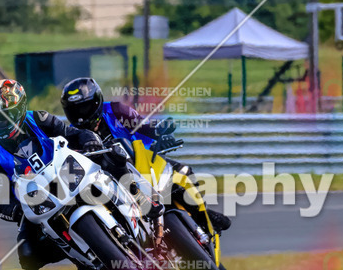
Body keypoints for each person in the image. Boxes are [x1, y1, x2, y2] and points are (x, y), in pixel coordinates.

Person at [0, 78, 157, 270]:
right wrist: (17, 211)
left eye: (3, 118)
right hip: (36, 197)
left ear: (18, 111)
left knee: (111, 155)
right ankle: (81, 257)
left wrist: (89, 141)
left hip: (65, 169)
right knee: (27, 256)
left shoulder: (38, 119)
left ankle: (143, 199)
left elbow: (73, 134)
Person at [58, 77, 231, 233]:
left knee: (183, 171)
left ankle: (205, 216)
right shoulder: (71, 135)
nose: (82, 115)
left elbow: (143, 125)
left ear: (96, 102)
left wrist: (160, 133)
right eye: (76, 111)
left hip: (142, 163)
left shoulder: (115, 110)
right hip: (112, 186)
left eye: (86, 107)